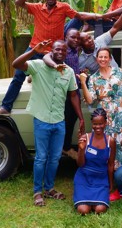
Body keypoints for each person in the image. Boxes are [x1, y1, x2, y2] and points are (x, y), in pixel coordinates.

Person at [0, 0, 99, 116]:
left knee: (58, 78)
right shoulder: (37, 7)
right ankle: (6, 106)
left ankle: (58, 110)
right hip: (35, 47)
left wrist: (100, 16)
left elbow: (78, 16)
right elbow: (18, 3)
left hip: (53, 51)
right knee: (18, 75)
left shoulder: (63, 7)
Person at [11, 40, 84, 206]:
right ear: (52, 50)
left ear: (66, 53)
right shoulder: (37, 66)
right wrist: (33, 51)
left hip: (59, 121)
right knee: (41, 158)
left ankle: (49, 188)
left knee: (55, 158)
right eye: (57, 48)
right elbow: (16, 64)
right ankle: (38, 191)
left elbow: (73, 95)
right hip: (42, 119)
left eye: (63, 50)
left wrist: (80, 118)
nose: (60, 52)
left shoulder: (69, 72)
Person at [79, 48, 122, 168]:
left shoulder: (120, 72)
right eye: (100, 57)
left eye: (105, 57)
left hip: (119, 112)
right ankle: (106, 172)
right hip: (104, 114)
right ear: (97, 59)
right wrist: (83, 82)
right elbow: (91, 99)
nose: (103, 59)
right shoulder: (93, 78)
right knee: (104, 140)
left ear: (110, 59)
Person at [43, 28, 82, 160]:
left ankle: (64, 147)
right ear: (66, 37)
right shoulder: (63, 51)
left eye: (78, 38)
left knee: (71, 121)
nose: (76, 40)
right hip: (65, 94)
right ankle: (63, 148)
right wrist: (54, 66)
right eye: (72, 37)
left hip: (75, 90)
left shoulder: (75, 49)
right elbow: (46, 56)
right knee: (63, 123)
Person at [73, 108, 116, 215]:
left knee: (100, 210)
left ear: (106, 123)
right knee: (83, 210)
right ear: (92, 123)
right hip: (84, 177)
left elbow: (110, 165)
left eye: (101, 123)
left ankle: (95, 201)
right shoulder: (85, 138)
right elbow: (80, 164)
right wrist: (82, 150)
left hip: (100, 179)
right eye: (95, 124)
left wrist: (110, 183)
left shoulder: (110, 141)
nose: (98, 127)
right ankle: (85, 200)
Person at [79, 5, 122, 74]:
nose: (90, 41)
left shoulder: (100, 40)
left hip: (117, 78)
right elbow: (80, 75)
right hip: (100, 83)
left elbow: (116, 27)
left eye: (89, 38)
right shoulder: (81, 60)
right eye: (86, 41)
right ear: (81, 45)